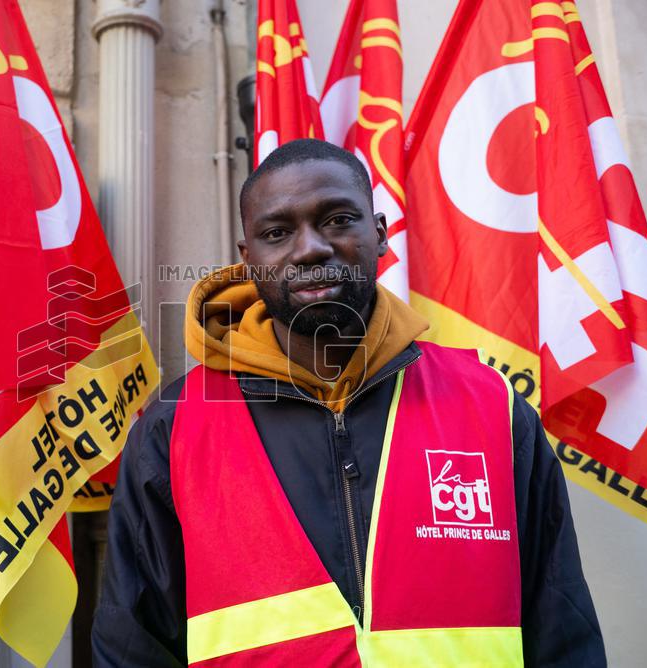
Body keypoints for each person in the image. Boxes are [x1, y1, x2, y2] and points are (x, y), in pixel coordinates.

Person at [91, 139, 605, 667]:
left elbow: (561, 624)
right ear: (249, 260)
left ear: (379, 234)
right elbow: (132, 645)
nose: (311, 248)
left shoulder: (491, 404)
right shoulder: (175, 425)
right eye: (277, 233)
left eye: (337, 220)